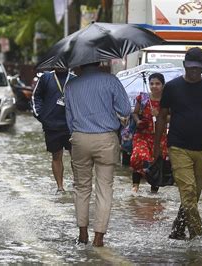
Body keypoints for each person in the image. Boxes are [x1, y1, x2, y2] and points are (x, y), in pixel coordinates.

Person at [153, 47, 202, 240]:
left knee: (193, 194)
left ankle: (178, 228)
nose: (193, 71)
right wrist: (157, 146)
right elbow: (161, 117)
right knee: (188, 191)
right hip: (178, 146)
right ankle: (199, 237)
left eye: (197, 68)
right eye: (190, 67)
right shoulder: (173, 87)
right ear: (184, 65)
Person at [65, 62, 131, 247]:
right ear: (100, 62)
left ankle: (82, 234)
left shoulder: (71, 85)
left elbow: (69, 118)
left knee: (81, 188)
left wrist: (77, 135)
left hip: (79, 138)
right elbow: (125, 110)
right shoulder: (110, 80)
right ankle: (98, 238)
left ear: (81, 63)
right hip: (106, 139)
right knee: (104, 188)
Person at [31, 68, 76, 193]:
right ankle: (60, 187)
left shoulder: (74, 79)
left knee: (76, 157)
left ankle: (77, 182)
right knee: (56, 156)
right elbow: (36, 97)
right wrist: (41, 116)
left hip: (71, 125)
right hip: (52, 125)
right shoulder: (45, 78)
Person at [130, 73, 168, 193]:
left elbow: (173, 117)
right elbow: (135, 113)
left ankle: (154, 192)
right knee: (139, 156)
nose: (154, 86)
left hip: (159, 137)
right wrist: (138, 121)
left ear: (163, 85)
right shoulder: (143, 98)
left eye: (157, 83)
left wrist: (159, 115)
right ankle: (135, 187)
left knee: (156, 162)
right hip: (142, 135)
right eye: (151, 83)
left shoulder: (167, 100)